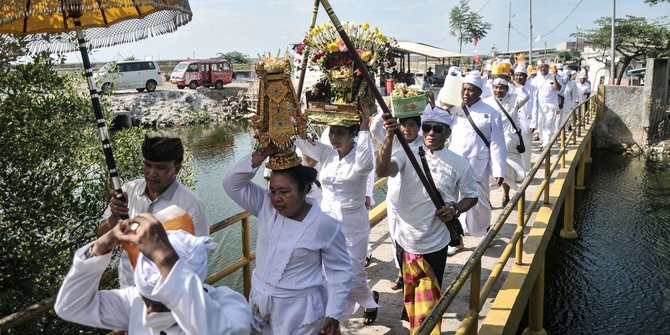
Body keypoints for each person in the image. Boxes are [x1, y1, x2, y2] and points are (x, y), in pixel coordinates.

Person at [223, 148, 353, 334]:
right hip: (261, 304)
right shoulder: (264, 206)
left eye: (284, 191)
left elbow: (340, 271)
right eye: (273, 191)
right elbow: (231, 183)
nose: (277, 198)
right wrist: (262, 153)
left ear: (305, 190)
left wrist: (333, 313)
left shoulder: (325, 225)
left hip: (300, 313)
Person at [55, 214, 251, 334]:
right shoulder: (135, 302)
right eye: (146, 299)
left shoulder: (230, 305)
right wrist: (101, 246)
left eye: (158, 304)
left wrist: (165, 259)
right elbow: (69, 306)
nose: (148, 311)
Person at [376, 107, 478, 334]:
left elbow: (472, 196)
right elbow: (382, 170)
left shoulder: (458, 163)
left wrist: (455, 209)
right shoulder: (407, 153)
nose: (431, 133)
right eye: (427, 128)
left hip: (435, 242)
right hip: (405, 239)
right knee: (411, 297)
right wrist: (389, 136)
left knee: (429, 304)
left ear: (447, 134)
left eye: (437, 129)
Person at [295, 106, 380, 325]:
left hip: (353, 224)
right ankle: (334, 316)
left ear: (353, 134)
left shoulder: (360, 155)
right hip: (326, 222)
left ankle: (369, 300)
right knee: (327, 272)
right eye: (332, 131)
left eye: (341, 132)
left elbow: (367, 165)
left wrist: (364, 129)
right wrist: (295, 120)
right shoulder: (327, 153)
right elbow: (302, 142)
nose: (334, 137)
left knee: (353, 273)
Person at [97, 136, 209, 288]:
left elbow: (199, 262)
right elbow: (101, 238)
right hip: (128, 291)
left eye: (160, 168)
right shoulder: (128, 191)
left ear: (176, 168)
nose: (151, 173)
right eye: (148, 165)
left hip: (169, 298)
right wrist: (114, 217)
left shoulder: (192, 206)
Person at [446, 71, 506, 254]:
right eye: (464, 89)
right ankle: (457, 241)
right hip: (454, 163)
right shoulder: (455, 109)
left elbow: (497, 143)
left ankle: (483, 232)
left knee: (480, 203)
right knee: (453, 203)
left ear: (479, 92)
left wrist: (499, 170)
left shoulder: (491, 113)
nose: (466, 93)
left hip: (477, 165)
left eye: (471, 90)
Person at [370, 109, 424, 290]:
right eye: (404, 125)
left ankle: (417, 271)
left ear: (419, 127)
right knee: (395, 235)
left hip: (417, 197)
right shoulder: (392, 141)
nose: (407, 129)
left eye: (412, 125)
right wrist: (391, 106)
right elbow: (375, 127)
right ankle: (401, 271)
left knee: (414, 237)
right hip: (394, 197)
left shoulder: (424, 144)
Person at [483, 75, 529, 207]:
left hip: (510, 143)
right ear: (492, 88)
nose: (498, 90)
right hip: (492, 143)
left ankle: (505, 195)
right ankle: (487, 198)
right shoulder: (487, 102)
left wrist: (514, 82)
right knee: (489, 172)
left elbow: (525, 95)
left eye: (501, 88)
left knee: (508, 171)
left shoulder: (514, 99)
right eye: (496, 87)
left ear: (507, 89)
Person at [530, 63, 562, 150]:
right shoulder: (536, 79)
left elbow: (558, 88)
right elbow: (532, 92)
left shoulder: (553, 76)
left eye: (545, 66)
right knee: (540, 126)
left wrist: (554, 78)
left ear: (548, 68)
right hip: (540, 107)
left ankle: (545, 145)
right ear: (539, 68)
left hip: (551, 106)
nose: (543, 68)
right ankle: (546, 141)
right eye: (541, 67)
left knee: (548, 125)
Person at [514, 63, 540, 170]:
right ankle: (516, 172)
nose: (518, 77)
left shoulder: (533, 89)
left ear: (526, 77)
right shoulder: (511, 88)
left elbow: (535, 107)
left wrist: (533, 123)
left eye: (521, 75)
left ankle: (525, 171)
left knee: (525, 148)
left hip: (527, 122)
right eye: (517, 75)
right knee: (514, 149)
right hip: (514, 122)